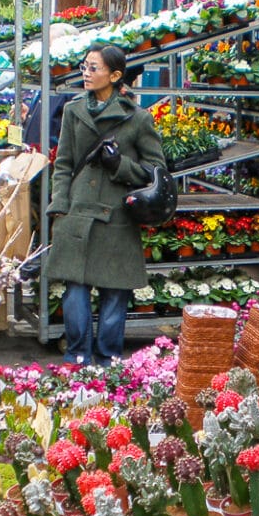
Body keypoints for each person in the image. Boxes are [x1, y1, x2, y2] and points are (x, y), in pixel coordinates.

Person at [44, 42, 165, 365]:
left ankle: (107, 358)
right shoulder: (73, 110)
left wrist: (119, 165)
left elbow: (156, 172)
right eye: (84, 66)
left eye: (94, 68)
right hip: (77, 212)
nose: (86, 73)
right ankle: (77, 355)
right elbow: (65, 163)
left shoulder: (138, 119)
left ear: (114, 75)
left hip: (117, 215)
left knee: (115, 291)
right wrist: (60, 204)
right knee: (75, 288)